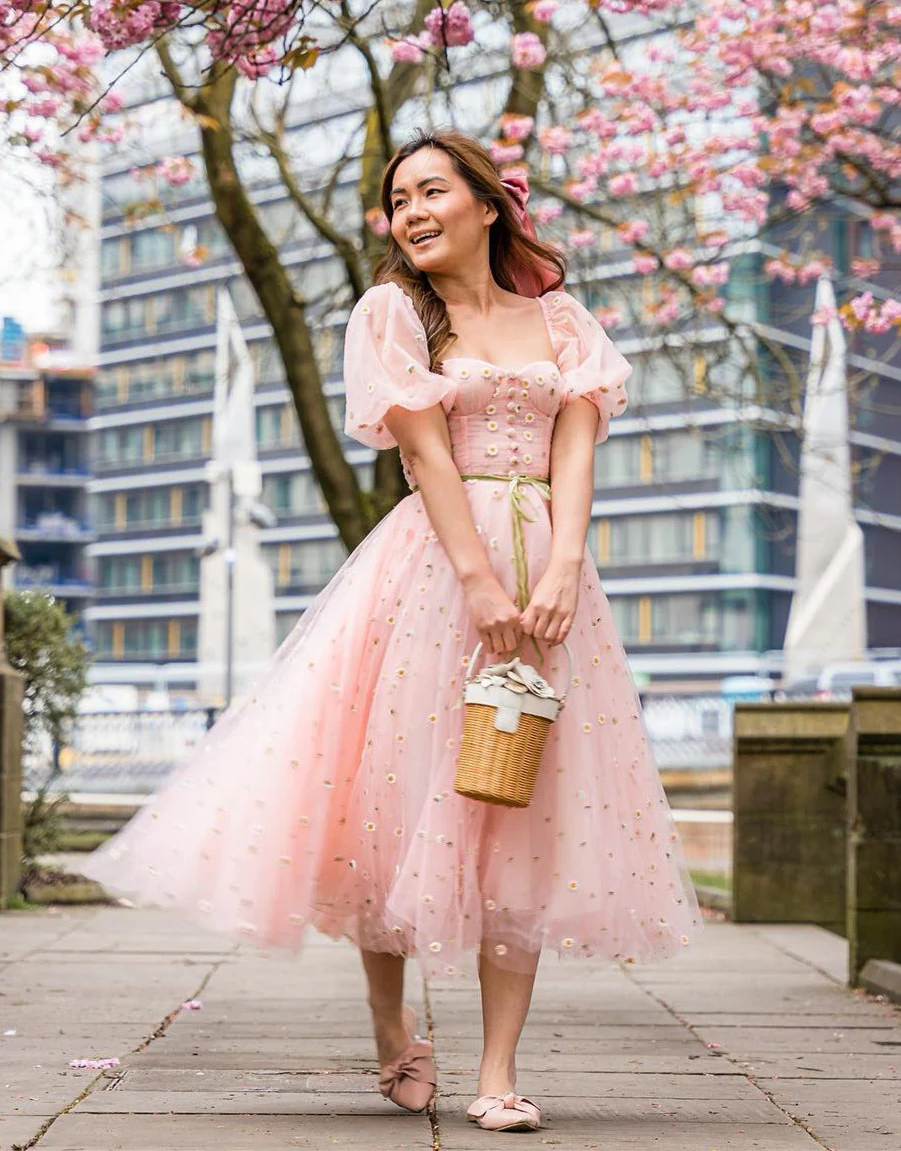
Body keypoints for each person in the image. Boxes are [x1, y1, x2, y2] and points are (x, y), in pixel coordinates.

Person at [86, 127, 700, 1133]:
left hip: (548, 571)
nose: (409, 212)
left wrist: (559, 568)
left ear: (488, 203)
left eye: (428, 191)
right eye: (396, 200)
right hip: (431, 571)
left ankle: (497, 1070)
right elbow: (426, 455)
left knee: (522, 817)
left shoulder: (563, 320)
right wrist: (478, 583)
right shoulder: (390, 313)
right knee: (394, 800)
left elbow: (576, 452)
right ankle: (390, 1025)